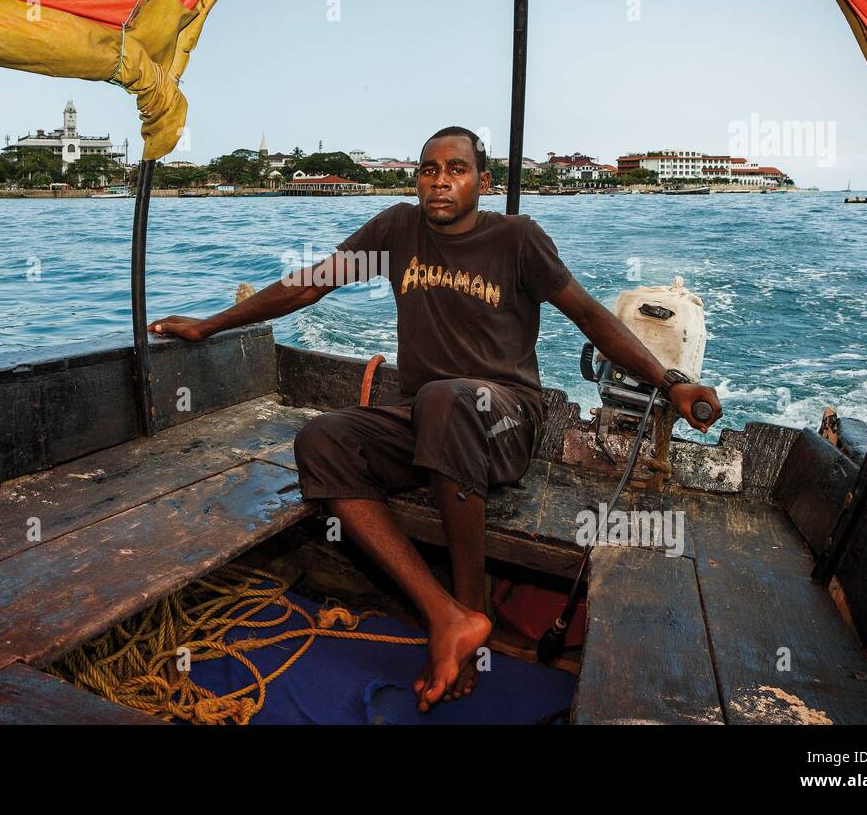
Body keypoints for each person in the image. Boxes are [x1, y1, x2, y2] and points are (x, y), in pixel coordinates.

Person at [149, 125, 722, 713]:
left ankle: (470, 604)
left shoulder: (518, 240)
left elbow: (591, 317)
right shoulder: (399, 230)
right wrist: (209, 324)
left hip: (504, 423)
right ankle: (447, 615)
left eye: (456, 169)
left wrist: (672, 382)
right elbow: (308, 287)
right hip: (428, 420)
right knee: (322, 440)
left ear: (483, 182)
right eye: (428, 169)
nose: (439, 182)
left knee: (447, 400)